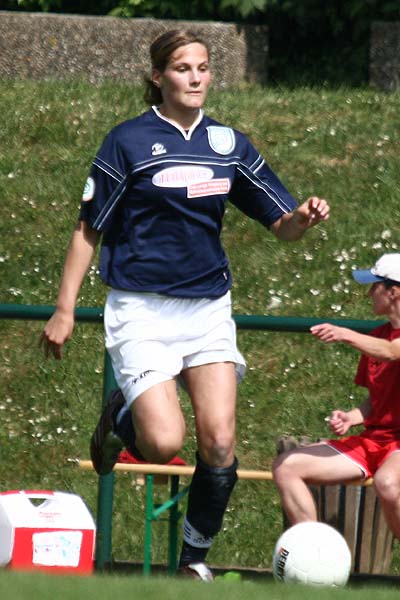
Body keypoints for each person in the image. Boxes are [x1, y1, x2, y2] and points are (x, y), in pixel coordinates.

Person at [39, 29, 330, 580]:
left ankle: (193, 561)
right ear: (158, 76)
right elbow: (88, 229)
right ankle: (119, 416)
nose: (195, 78)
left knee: (219, 440)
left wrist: (302, 217)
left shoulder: (228, 144)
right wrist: (64, 308)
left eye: (203, 67)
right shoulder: (127, 141)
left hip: (207, 309)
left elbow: (282, 225)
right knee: (164, 442)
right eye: (182, 68)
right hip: (141, 310)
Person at [273, 253, 400, 538]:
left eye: (374, 286)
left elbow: (393, 352)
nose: (369, 293)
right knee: (286, 467)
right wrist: (352, 417)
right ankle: (314, 552)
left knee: (388, 483)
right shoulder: (377, 336)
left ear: (393, 291)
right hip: (375, 442)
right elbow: (377, 401)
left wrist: (345, 334)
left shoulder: (379, 343)